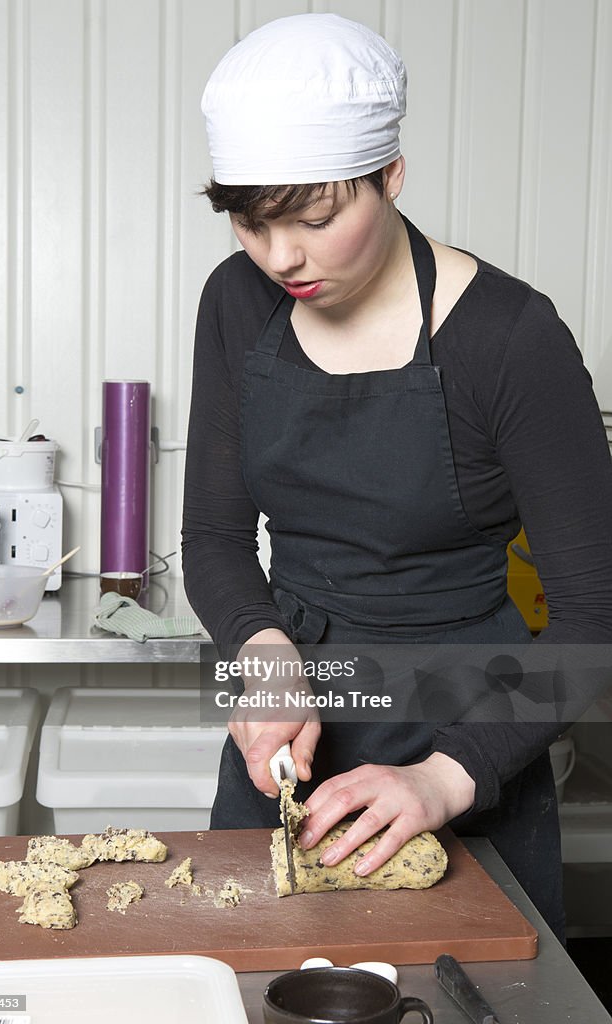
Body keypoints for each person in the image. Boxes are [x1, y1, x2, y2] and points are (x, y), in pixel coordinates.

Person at [181, 12, 612, 943]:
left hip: (473, 722)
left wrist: (443, 778)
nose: (280, 256)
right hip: (293, 709)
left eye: (315, 219)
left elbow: (593, 615)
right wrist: (263, 661)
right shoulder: (234, 300)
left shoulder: (510, 339)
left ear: (390, 176)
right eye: (252, 223)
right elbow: (212, 540)